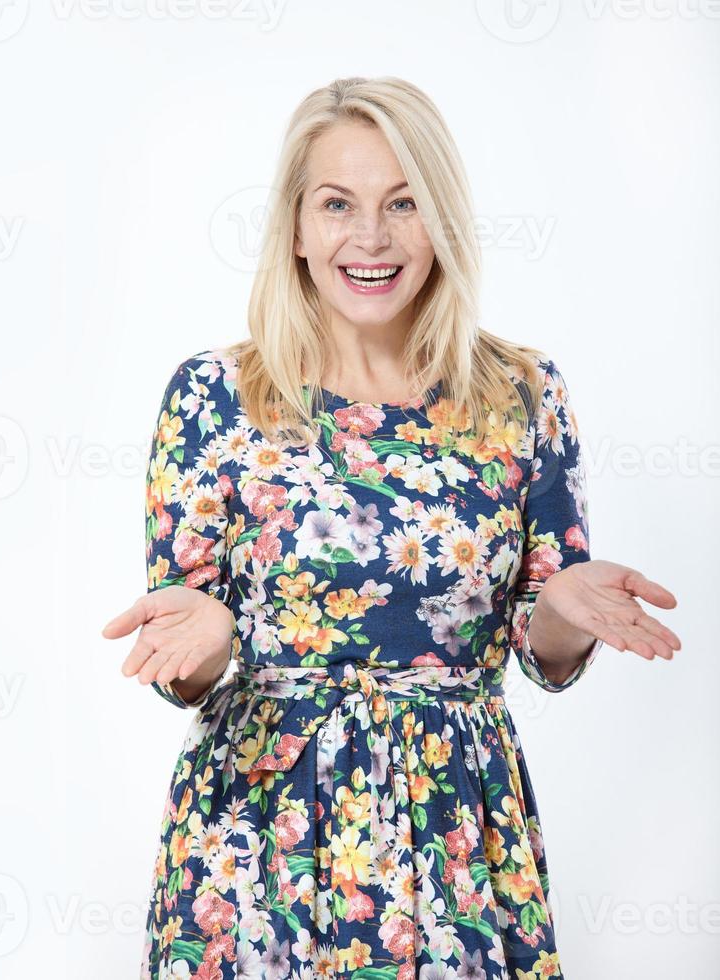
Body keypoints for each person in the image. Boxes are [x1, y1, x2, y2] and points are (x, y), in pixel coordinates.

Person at [101, 76, 680, 979]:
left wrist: (564, 602)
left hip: (456, 834)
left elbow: (545, 646)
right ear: (295, 227)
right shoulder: (216, 397)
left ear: (441, 218)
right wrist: (210, 635)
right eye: (338, 204)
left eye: (403, 203)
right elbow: (185, 652)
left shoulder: (524, 395)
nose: (370, 237)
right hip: (259, 841)